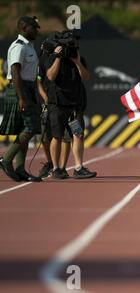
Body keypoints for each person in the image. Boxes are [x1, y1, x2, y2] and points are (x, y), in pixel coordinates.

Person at [43, 31, 96, 179]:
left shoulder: (78, 58)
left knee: (78, 134)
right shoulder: (52, 57)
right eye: (70, 44)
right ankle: (56, 168)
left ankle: (78, 167)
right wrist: (58, 58)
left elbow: (86, 76)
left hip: (74, 106)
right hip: (58, 104)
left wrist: (77, 62)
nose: (73, 47)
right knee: (57, 136)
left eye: (74, 44)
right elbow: (50, 76)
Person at [0, 16, 42, 182]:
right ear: (24, 28)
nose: (37, 31)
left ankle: (20, 169)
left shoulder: (29, 46)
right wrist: (21, 97)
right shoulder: (19, 47)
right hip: (20, 89)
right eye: (34, 28)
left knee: (24, 129)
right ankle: (6, 159)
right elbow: (15, 72)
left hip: (28, 88)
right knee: (31, 127)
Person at [36, 44, 72, 178]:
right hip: (47, 103)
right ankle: (50, 163)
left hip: (62, 102)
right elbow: (38, 83)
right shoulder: (42, 61)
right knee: (45, 136)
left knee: (65, 136)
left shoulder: (64, 61)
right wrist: (45, 98)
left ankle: (62, 167)